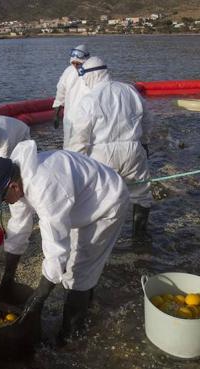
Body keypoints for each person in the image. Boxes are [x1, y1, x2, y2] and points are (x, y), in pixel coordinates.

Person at [0, 140, 129, 342]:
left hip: (107, 204)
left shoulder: (46, 188)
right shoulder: (17, 179)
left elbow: (56, 253)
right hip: (80, 204)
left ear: (12, 186)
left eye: (3, 198)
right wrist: (7, 280)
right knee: (77, 267)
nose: (4, 203)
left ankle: (71, 338)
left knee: (78, 273)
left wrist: (38, 299)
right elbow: (19, 229)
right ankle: (86, 306)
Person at [69, 56, 154, 239]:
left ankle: (102, 239)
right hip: (132, 150)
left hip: (102, 155)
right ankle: (139, 236)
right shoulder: (129, 90)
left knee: (100, 197)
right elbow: (147, 119)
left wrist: (75, 164)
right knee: (141, 192)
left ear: (91, 75)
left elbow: (80, 138)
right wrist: (144, 142)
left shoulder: (89, 99)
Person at [53, 44, 91, 150]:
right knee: (68, 144)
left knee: (84, 146)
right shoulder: (68, 72)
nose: (75, 65)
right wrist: (56, 115)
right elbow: (61, 93)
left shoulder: (92, 72)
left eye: (78, 63)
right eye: (73, 63)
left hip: (86, 117)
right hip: (69, 116)